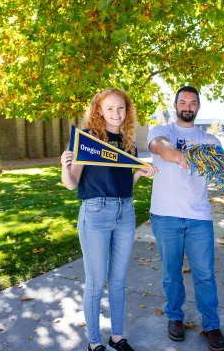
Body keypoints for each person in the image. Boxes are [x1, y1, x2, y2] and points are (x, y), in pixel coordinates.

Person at [61, 88, 158, 351]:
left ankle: (117, 338)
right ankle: (94, 343)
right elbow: (72, 184)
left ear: (127, 111)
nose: (116, 113)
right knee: (95, 282)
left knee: (118, 280)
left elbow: (125, 181)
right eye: (110, 108)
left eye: (121, 108)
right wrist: (64, 165)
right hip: (95, 213)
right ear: (98, 111)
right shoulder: (87, 139)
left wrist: (141, 172)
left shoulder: (128, 141)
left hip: (124, 211)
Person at [147, 86, 224, 351]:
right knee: (171, 274)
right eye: (183, 102)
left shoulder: (211, 141)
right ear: (175, 104)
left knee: (204, 274)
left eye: (193, 103)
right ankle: (175, 318)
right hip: (165, 214)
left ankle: (211, 325)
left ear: (198, 107)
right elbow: (160, 147)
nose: (187, 107)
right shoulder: (162, 132)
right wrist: (184, 158)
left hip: (199, 216)